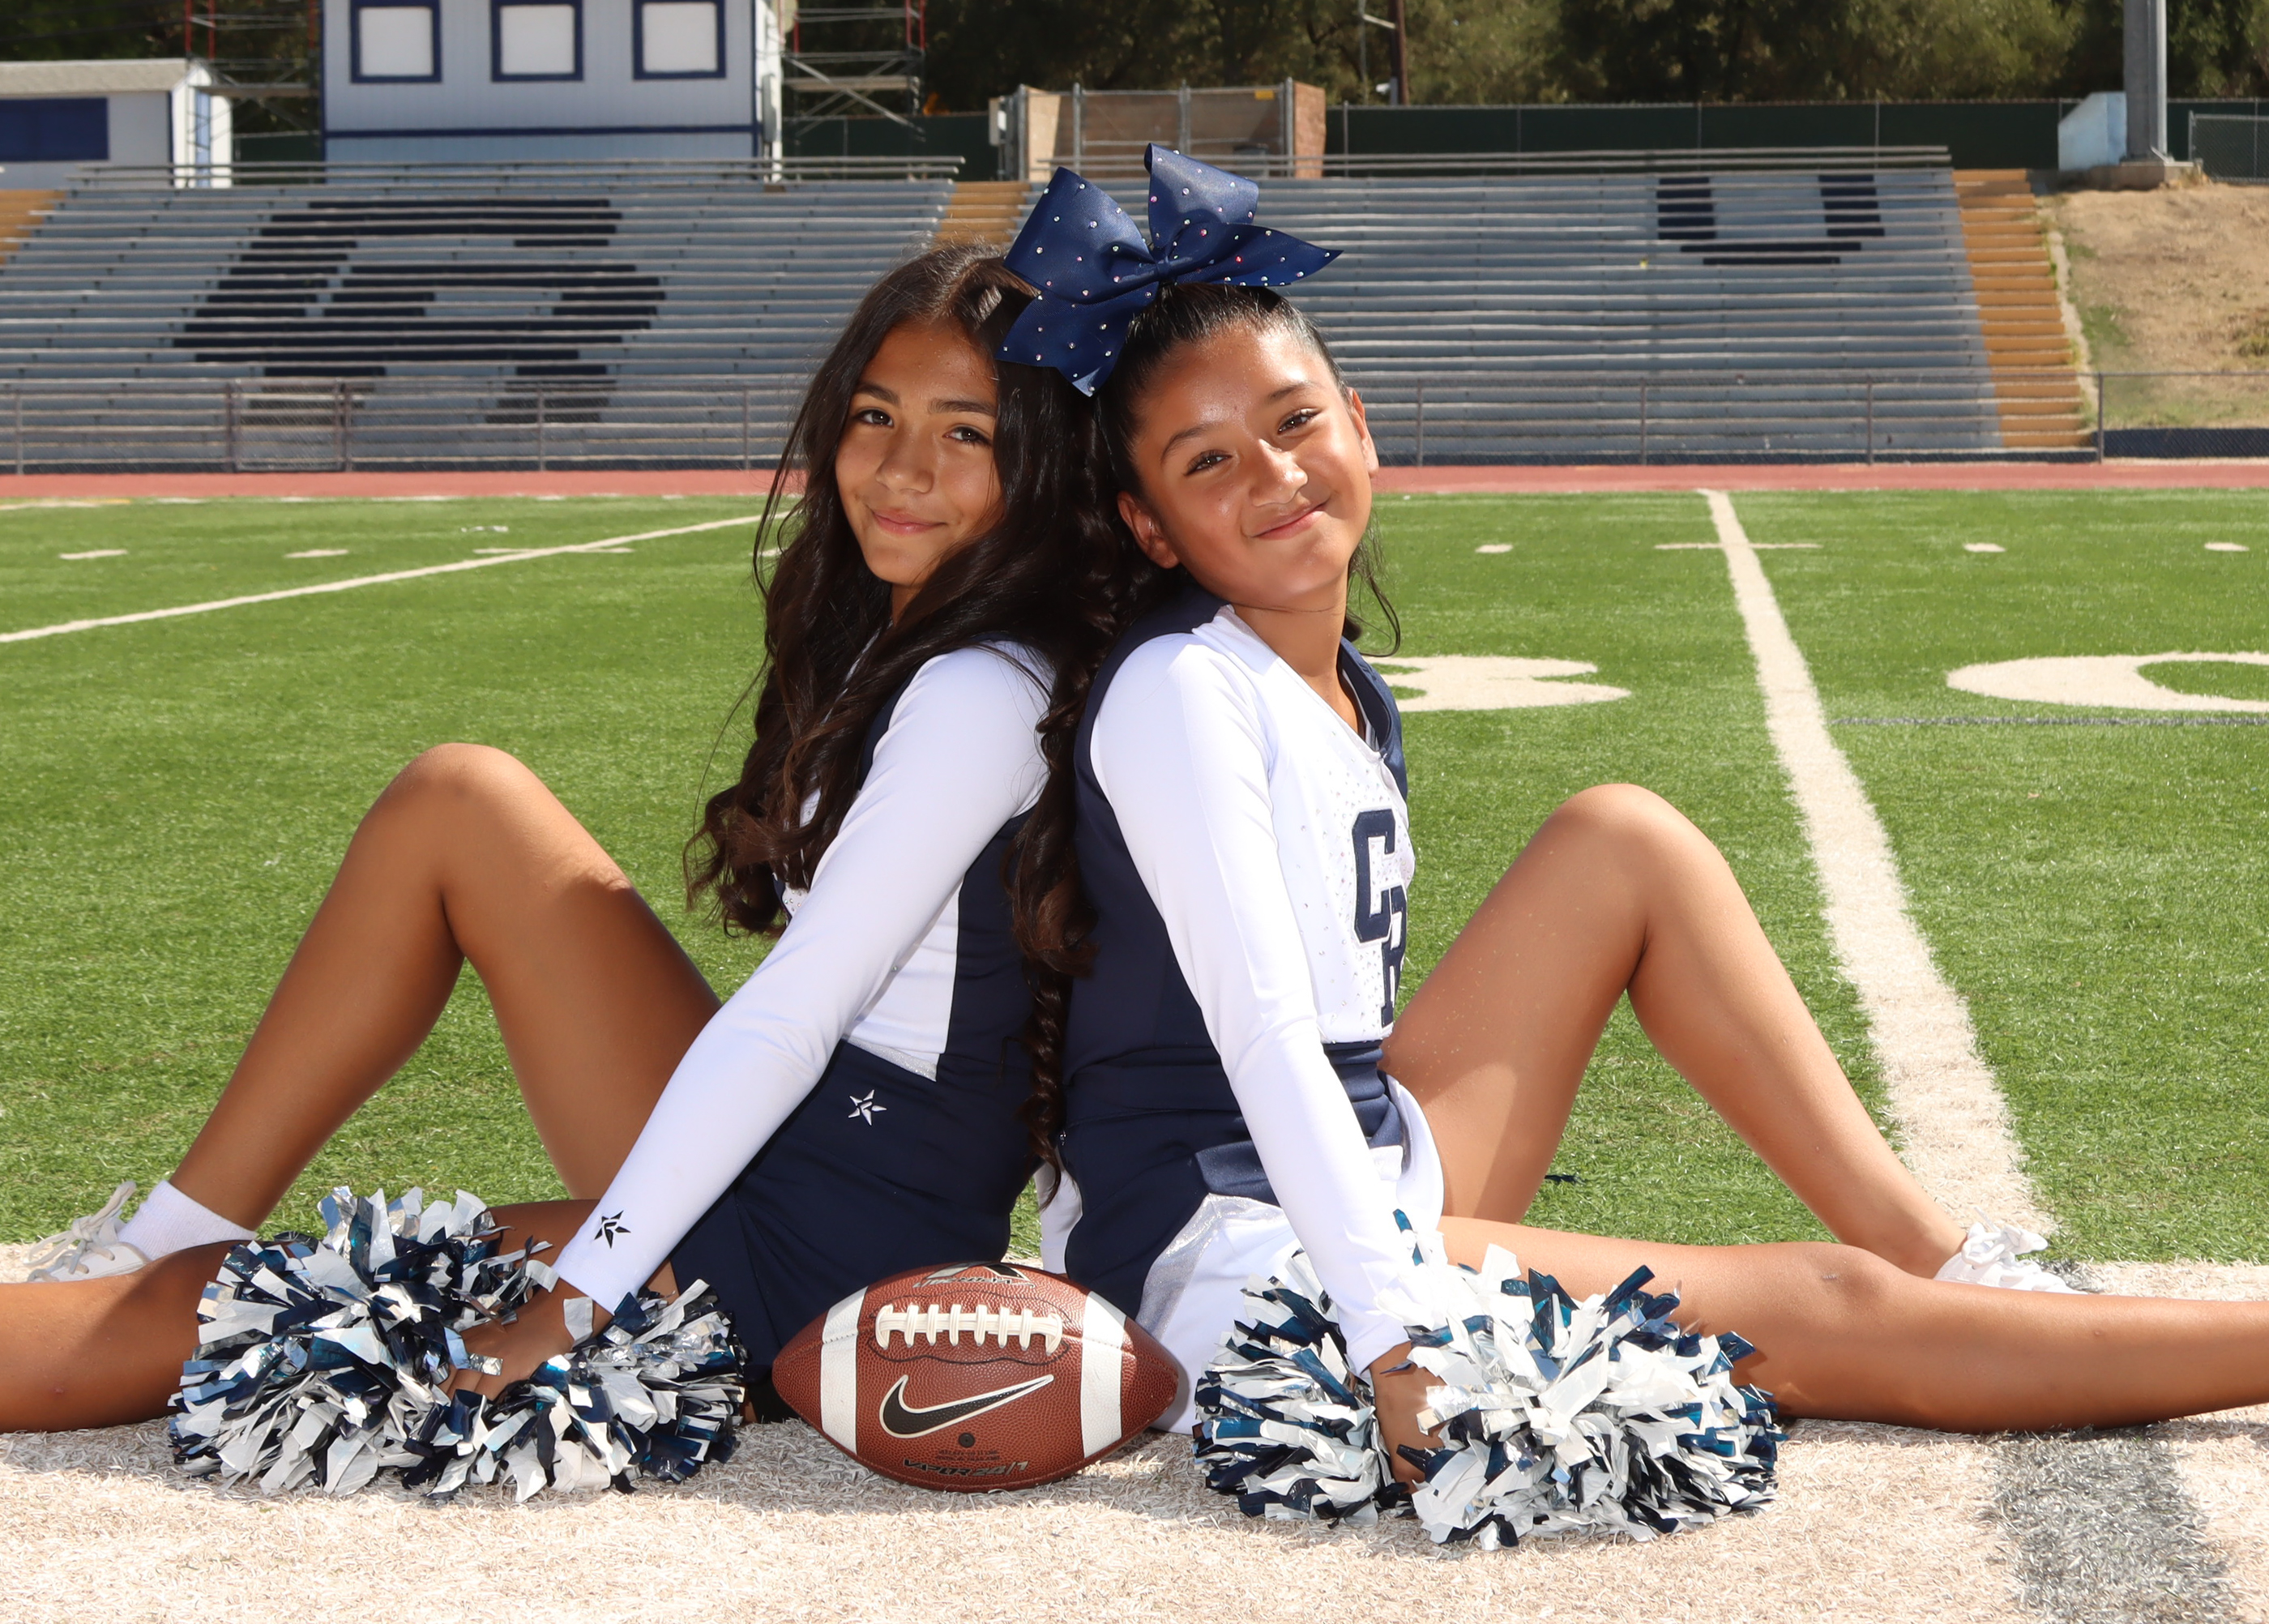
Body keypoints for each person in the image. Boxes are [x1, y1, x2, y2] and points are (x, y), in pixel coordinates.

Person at [1007, 152, 2269, 1477]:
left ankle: (1947, 1260)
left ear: (1360, 424)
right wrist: (1394, 1335)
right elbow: (1265, 1040)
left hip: (1360, 1160)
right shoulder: (1183, 688)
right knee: (1818, 1308)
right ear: (1151, 527)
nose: (1274, 473)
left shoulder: (1332, 677)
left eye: (1294, 419)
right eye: (1208, 460)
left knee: (1623, 840)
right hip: (1231, 1250)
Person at [3, 244, 1129, 1435]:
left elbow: (797, 1013)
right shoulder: (905, 640)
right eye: (875, 415)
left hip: (818, 1243)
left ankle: (149, 1280)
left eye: (966, 433)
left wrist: (576, 1298)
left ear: (1042, 461)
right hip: (807, 1146)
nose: (902, 469)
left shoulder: (977, 689)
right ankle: (166, 1232)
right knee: (461, 801)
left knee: (209, 1317)